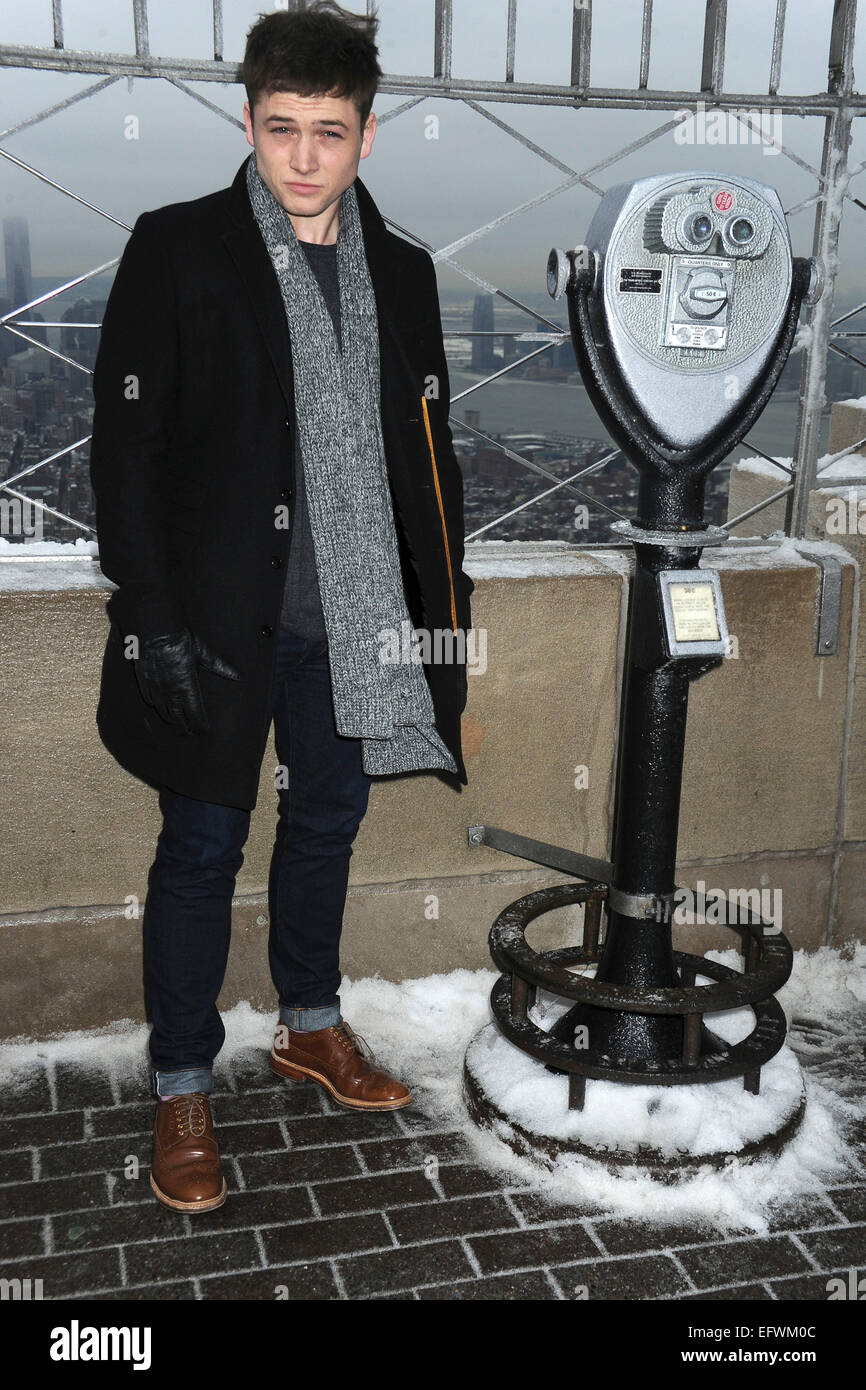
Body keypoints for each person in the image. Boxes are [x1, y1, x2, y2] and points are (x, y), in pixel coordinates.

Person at [89, 1, 474, 1214]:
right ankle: (184, 1081)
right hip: (214, 619)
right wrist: (147, 614)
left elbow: (430, 460)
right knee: (200, 850)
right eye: (280, 128)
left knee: (328, 826)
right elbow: (126, 445)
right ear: (248, 123)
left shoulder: (402, 273)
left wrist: (439, 623)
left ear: (369, 135)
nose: (304, 157)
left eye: (331, 131)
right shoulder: (178, 247)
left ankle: (311, 1022)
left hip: (352, 628)